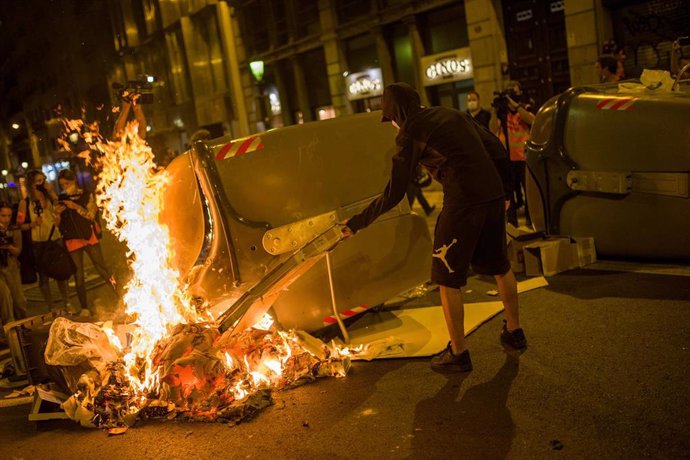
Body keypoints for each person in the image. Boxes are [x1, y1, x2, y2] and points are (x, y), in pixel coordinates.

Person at [342, 83, 526, 373]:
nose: (391, 124)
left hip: (463, 200)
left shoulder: (410, 133)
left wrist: (357, 223)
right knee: (500, 265)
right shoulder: (450, 114)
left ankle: (458, 352)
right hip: (491, 194)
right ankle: (514, 331)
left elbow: (395, 192)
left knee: (447, 277)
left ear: (397, 114)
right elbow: (493, 145)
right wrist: (505, 191)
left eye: (389, 118)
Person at [54, 169, 115, 316]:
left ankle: (119, 294)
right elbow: (57, 224)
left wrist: (75, 207)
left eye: (67, 183)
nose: (65, 187)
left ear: (74, 180)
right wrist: (57, 214)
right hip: (72, 239)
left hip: (88, 235)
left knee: (101, 268)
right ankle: (84, 308)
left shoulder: (86, 194)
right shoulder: (61, 198)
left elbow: (91, 215)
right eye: (62, 185)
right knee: (78, 275)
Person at [16, 170, 72, 313]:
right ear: (31, 184)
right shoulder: (25, 203)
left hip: (55, 238)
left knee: (61, 273)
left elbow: (60, 205)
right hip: (38, 243)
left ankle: (67, 303)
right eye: (39, 181)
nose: (43, 183)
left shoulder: (49, 197)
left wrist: (51, 191)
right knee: (44, 276)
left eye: (44, 180)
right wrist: (32, 225)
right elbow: (19, 224)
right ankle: (50, 306)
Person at [490, 80, 536, 227]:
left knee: (528, 192)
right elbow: (492, 129)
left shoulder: (525, 107)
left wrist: (515, 105)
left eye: (513, 91)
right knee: (509, 193)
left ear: (519, 92)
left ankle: (530, 221)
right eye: (508, 91)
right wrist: (494, 110)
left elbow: (532, 120)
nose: (511, 94)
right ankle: (512, 221)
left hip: (523, 157)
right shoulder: (502, 112)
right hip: (508, 159)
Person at [0, 201, 28, 326]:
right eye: (3, 216)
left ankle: (23, 328)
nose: (6, 219)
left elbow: (18, 251)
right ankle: (10, 329)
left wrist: (8, 247)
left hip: (11, 266)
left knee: (19, 301)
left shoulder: (14, 229)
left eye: (9, 216)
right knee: (6, 299)